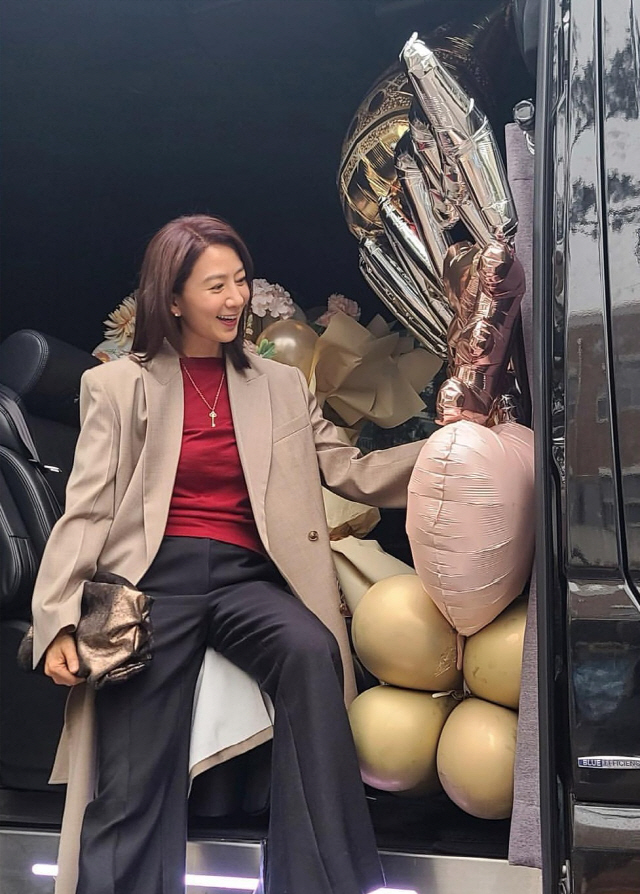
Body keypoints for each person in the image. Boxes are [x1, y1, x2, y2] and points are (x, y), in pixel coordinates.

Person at [32, 214, 426, 894]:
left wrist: (453, 448)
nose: (235, 298)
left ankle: (317, 882)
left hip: (247, 580)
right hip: (148, 587)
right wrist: (59, 620)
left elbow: (350, 471)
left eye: (240, 281)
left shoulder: (281, 384)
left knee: (311, 651)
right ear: (172, 298)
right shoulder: (116, 385)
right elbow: (87, 509)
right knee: (131, 779)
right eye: (215, 286)